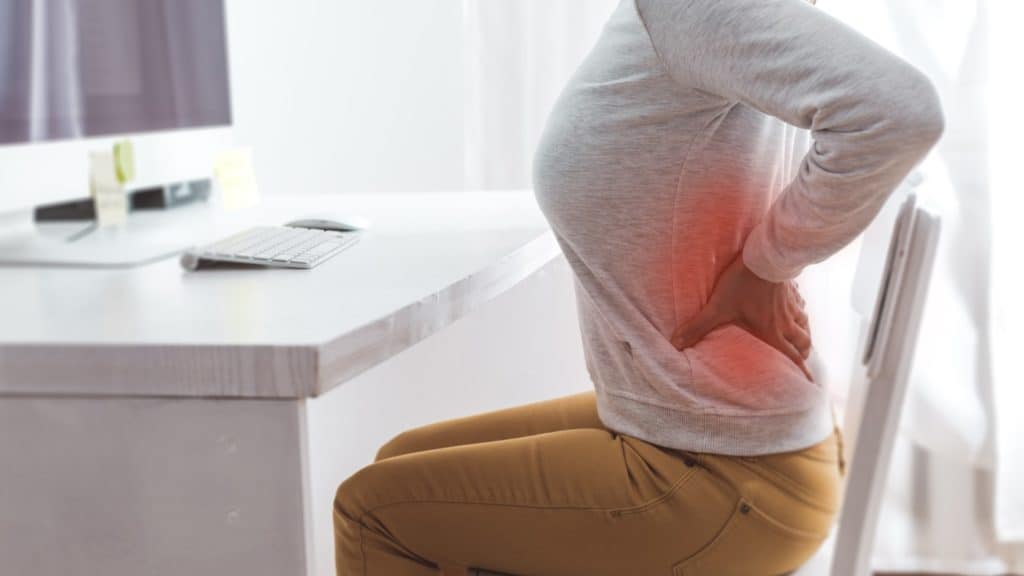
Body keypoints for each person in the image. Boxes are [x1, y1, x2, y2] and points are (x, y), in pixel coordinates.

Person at [333, 0, 944, 573]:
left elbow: (899, 110)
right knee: (402, 461)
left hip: (726, 472)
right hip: (700, 429)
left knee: (373, 512)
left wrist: (766, 266)